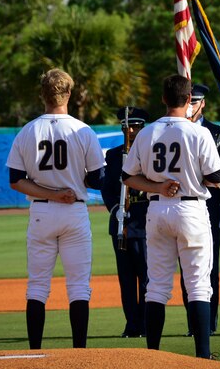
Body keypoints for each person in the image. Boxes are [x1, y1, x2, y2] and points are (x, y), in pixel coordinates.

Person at [122, 75, 220, 359]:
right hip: (191, 209)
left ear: (164, 99)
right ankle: (202, 355)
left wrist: (157, 186)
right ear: (189, 100)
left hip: (157, 208)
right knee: (198, 285)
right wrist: (191, 176)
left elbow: (128, 176)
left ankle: (153, 354)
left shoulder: (147, 132)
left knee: (156, 285)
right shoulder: (198, 133)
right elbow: (216, 178)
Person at [6, 68, 105, 349]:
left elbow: (16, 181)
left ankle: (35, 351)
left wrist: (51, 192)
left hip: (41, 212)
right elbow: (98, 178)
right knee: (78, 287)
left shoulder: (28, 130)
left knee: (37, 285)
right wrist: (76, 180)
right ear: (69, 94)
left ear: (42, 95)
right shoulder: (82, 130)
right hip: (74, 211)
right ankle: (79, 353)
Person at [178, 84, 220, 336]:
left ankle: (209, 323)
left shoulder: (217, 132)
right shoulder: (175, 129)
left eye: (196, 101)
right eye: (189, 101)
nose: (191, 106)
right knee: (185, 268)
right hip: (183, 206)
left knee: (210, 268)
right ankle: (192, 324)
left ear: (203, 104)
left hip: (208, 206)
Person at [101, 107, 150, 338]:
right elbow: (107, 188)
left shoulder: (150, 152)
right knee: (127, 278)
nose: (131, 130)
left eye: (136, 126)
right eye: (127, 126)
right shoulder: (113, 155)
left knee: (147, 276)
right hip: (121, 223)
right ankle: (132, 325)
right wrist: (115, 209)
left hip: (145, 220)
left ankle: (147, 323)